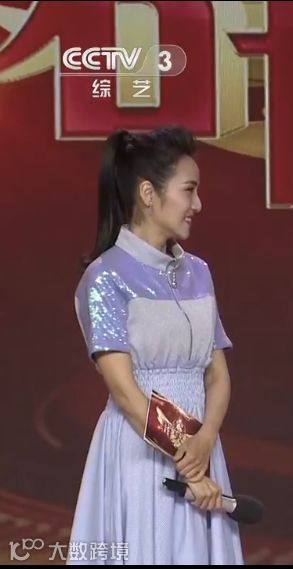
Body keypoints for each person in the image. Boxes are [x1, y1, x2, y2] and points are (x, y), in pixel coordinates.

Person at [69, 127, 244, 564]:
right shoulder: (105, 277)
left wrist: (204, 442)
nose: (197, 204)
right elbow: (125, 392)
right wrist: (188, 459)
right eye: (189, 190)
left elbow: (217, 375)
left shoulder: (200, 272)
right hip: (142, 453)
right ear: (148, 194)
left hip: (200, 450)